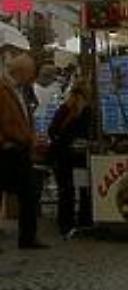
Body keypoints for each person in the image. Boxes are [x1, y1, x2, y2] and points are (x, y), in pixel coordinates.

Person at [0, 51, 47, 249]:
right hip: (7, 149)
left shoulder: (21, 90)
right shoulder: (3, 90)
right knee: (23, 191)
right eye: (30, 73)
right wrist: (5, 141)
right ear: (21, 71)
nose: (32, 77)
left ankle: (28, 237)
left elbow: (24, 116)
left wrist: (31, 136)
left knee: (29, 193)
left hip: (21, 148)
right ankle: (27, 237)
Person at [47, 76, 92, 238]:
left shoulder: (64, 108)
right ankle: (85, 220)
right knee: (85, 188)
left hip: (61, 155)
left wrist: (62, 141)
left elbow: (52, 131)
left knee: (66, 190)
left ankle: (65, 223)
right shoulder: (87, 111)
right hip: (80, 156)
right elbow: (89, 134)